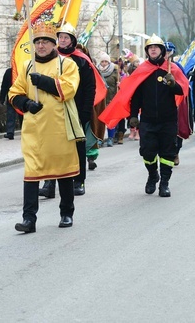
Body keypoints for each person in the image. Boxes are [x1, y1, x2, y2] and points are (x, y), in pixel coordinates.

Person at [8, 21, 81, 233]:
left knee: (64, 172)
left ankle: (66, 212)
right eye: (38, 42)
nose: (41, 46)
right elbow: (14, 92)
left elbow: (69, 88)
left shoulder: (66, 65)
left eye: (45, 42)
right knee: (31, 173)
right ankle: (29, 219)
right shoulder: (27, 65)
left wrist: (45, 82)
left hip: (60, 128)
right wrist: (26, 103)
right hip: (35, 130)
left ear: (54, 43)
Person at [99, 35, 189, 196]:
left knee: (167, 153)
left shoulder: (172, 68)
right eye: (150, 47)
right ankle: (153, 175)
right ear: (147, 51)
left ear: (162, 50)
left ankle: (165, 184)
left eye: (156, 47)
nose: (153, 49)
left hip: (168, 120)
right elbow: (136, 95)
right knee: (147, 151)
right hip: (147, 120)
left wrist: (172, 84)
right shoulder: (142, 70)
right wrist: (133, 116)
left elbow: (182, 90)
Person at [38, 23, 104, 198]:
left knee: (77, 148)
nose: (62, 40)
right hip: (54, 111)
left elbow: (90, 88)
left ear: (72, 40)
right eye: (60, 37)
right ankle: (49, 184)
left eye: (66, 37)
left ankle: (79, 181)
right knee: (51, 148)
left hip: (75, 110)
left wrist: (84, 112)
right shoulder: (51, 58)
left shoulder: (81, 60)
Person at [97, 52, 119, 148]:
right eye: (102, 61)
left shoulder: (114, 71)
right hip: (100, 100)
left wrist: (119, 85)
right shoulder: (97, 71)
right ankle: (100, 139)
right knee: (100, 121)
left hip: (111, 99)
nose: (104, 63)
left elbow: (118, 85)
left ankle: (110, 138)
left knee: (110, 120)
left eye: (106, 61)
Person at [0, 66, 17, 140]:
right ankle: (10, 132)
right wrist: (2, 98)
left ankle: (10, 132)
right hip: (16, 96)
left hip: (12, 97)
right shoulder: (12, 72)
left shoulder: (9, 71)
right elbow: (4, 86)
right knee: (14, 114)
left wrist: (2, 98)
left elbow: (4, 86)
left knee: (11, 115)